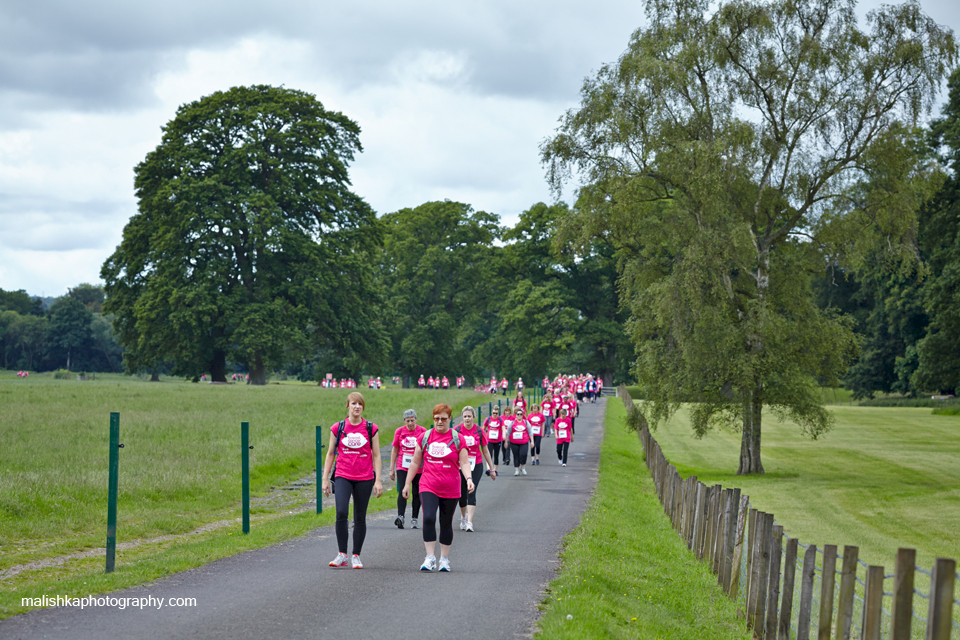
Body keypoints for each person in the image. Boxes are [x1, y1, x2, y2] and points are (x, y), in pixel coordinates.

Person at [403, 403, 474, 572]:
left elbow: (464, 462)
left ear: (450, 419)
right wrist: (407, 483)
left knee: (445, 522)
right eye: (436, 418)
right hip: (428, 484)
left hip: (451, 487)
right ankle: (429, 557)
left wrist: (469, 478)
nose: (439, 422)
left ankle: (444, 559)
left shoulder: (457, 438)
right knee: (428, 518)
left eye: (443, 418)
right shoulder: (425, 437)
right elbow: (415, 462)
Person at [321, 392, 383, 569]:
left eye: (360, 404)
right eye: (354, 403)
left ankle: (356, 555)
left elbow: (377, 455)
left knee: (360, 516)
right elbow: (330, 453)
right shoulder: (338, 427)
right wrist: (325, 479)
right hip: (343, 475)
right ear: (348, 406)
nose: (357, 407)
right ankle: (342, 554)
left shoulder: (371, 428)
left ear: (363, 407)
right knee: (341, 512)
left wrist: (378, 480)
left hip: (364, 477)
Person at [456, 406, 496, 531]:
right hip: (460, 466)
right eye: (465, 416)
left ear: (474, 417)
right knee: (462, 494)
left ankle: (469, 522)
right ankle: (463, 517)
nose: (467, 419)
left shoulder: (479, 431)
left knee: (471, 491)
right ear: (462, 417)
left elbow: (485, 450)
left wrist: (492, 468)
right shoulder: (456, 430)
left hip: (476, 465)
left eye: (469, 416)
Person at [389, 409, 426, 529]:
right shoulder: (399, 431)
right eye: (407, 421)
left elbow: (427, 450)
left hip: (418, 467)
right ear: (404, 421)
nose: (410, 423)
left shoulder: (422, 431)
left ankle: (414, 518)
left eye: (412, 420)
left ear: (416, 420)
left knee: (416, 492)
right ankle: (401, 517)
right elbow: (395, 449)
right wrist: (391, 468)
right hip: (402, 465)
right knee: (402, 490)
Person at [506, 406, 534, 476]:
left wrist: (532, 441)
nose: (519, 415)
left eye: (520, 414)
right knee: (516, 456)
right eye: (517, 414)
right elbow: (508, 433)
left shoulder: (526, 422)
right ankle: (516, 470)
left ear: (522, 415)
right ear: (515, 415)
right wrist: (506, 442)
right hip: (514, 442)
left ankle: (523, 467)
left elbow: (530, 432)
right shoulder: (512, 423)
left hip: (524, 442)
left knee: (523, 454)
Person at [483, 405, 504, 476]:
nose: (495, 414)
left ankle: (495, 470)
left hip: (497, 440)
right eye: (493, 413)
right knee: (489, 454)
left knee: (496, 455)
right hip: (489, 440)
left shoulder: (500, 420)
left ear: (498, 413)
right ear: (491, 413)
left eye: (496, 413)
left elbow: (503, 428)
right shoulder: (488, 419)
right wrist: (484, 436)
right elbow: (483, 428)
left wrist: (504, 435)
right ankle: (488, 469)